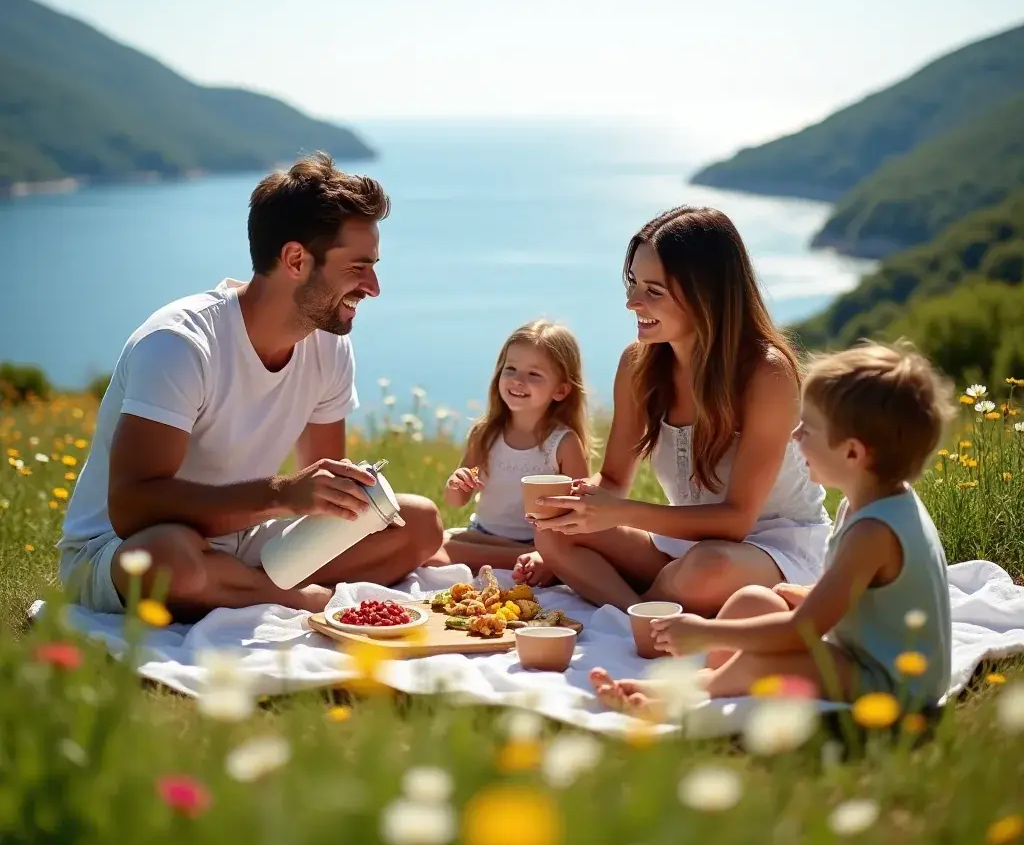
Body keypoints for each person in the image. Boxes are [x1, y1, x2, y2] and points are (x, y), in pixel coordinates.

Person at [57, 152, 444, 621]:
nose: (374, 286)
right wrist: (281, 495)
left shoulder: (328, 345)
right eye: (358, 267)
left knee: (420, 523)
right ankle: (293, 598)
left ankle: (237, 586)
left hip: (242, 539)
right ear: (296, 259)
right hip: (125, 548)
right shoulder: (179, 344)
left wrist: (351, 501)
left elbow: (328, 505)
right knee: (170, 558)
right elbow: (131, 508)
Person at [591, 341, 955, 713]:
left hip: (894, 682)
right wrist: (806, 593)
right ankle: (711, 683)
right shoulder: (873, 502)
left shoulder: (872, 532)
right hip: (865, 653)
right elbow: (864, 595)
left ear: (852, 453)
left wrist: (705, 632)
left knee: (758, 661)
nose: (794, 436)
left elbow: (801, 631)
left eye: (807, 429)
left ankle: (674, 698)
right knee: (752, 601)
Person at [531, 206, 831, 615]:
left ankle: (641, 610)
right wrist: (576, 505)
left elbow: (737, 521)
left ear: (706, 294)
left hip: (773, 550)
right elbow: (614, 479)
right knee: (555, 535)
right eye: (634, 283)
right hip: (685, 545)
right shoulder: (638, 365)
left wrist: (621, 513)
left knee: (708, 568)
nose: (633, 303)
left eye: (654, 291)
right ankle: (640, 617)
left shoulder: (766, 373)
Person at [441, 320, 590, 585]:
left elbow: (580, 512)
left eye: (534, 374)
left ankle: (535, 560)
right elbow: (457, 499)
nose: (518, 381)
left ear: (560, 390)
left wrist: (545, 551)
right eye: (510, 369)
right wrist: (456, 483)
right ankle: (518, 560)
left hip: (537, 543)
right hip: (482, 535)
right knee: (431, 540)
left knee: (436, 551)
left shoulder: (563, 444)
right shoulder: (485, 434)